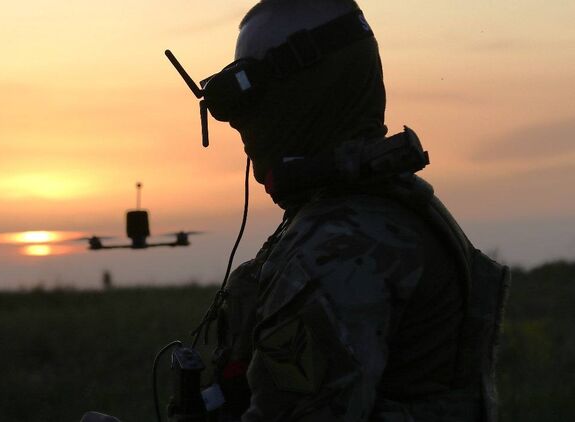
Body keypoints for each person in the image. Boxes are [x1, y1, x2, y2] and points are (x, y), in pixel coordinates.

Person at [207, 0, 510, 421]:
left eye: (252, 100)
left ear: (304, 93)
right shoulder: (387, 208)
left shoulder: (342, 245)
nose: (243, 126)